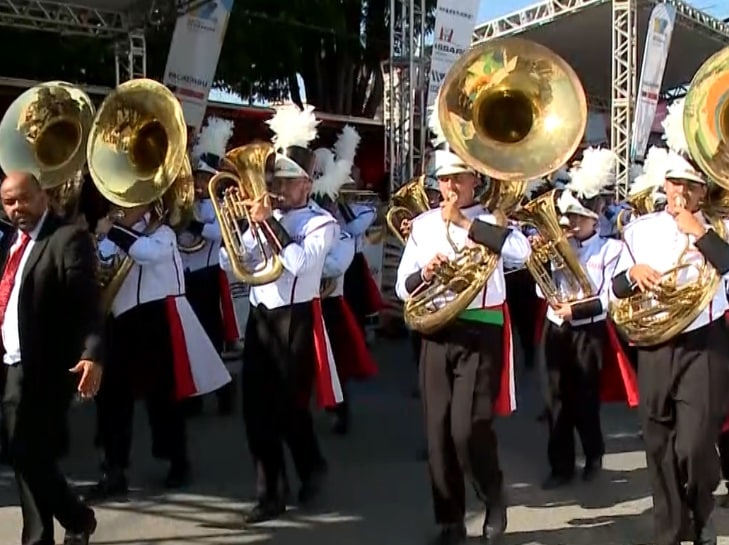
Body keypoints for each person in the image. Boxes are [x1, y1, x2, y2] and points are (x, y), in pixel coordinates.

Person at [396, 147, 530, 545]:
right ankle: (450, 520)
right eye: (444, 180)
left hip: (481, 330)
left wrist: (466, 226)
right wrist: (425, 273)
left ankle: (493, 494)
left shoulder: (493, 219)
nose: (451, 188)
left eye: (459, 179)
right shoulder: (421, 225)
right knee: (437, 433)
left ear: (475, 180)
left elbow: (520, 254)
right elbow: (403, 286)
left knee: (468, 429)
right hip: (437, 330)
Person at [611, 99, 729, 545]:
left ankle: (700, 510)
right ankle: (670, 531)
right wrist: (631, 276)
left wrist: (698, 230)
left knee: (695, 446)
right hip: (656, 345)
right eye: (675, 183)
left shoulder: (720, 226)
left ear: (703, 191)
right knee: (659, 446)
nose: (680, 192)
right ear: (665, 183)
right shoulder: (638, 230)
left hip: (704, 343)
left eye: (690, 186)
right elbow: (613, 294)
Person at [220, 105, 339, 524]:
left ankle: (311, 466)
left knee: (290, 409)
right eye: (276, 181)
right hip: (262, 317)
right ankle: (269, 494)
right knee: (255, 412)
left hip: (296, 318)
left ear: (306, 185)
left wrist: (269, 224)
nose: (278, 189)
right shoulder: (265, 217)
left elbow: (302, 264)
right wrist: (240, 229)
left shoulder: (321, 222)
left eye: (287, 182)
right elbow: (230, 262)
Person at [90, 194, 231, 499]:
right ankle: (112, 469)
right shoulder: (113, 234)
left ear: (144, 205)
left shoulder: (163, 233)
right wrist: (104, 237)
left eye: (129, 203)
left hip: (156, 320)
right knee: (112, 399)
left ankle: (177, 461)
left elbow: (146, 254)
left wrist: (113, 231)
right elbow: (100, 263)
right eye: (118, 204)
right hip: (119, 320)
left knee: (163, 398)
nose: (121, 209)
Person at [0, 171, 102, 545]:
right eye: (9, 202)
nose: (16, 208)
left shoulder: (66, 238)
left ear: (43, 196)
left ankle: (53, 530)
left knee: (27, 451)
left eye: (23, 199)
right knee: (22, 454)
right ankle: (70, 521)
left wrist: (93, 354)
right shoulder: (12, 242)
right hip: (12, 364)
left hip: (46, 367)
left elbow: (87, 302)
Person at [535, 149, 630, 489]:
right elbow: (538, 289)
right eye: (569, 218)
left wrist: (576, 310)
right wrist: (543, 261)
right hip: (556, 328)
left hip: (588, 330)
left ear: (595, 218)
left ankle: (593, 455)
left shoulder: (611, 250)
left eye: (579, 218)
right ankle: (560, 466)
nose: (572, 224)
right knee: (555, 399)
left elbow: (610, 298)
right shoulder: (560, 246)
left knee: (585, 400)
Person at [180, 117, 239, 416]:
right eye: (197, 179)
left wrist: (191, 223)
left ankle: (224, 390)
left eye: (204, 180)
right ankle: (193, 397)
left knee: (210, 341)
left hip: (207, 277)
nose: (200, 185)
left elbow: (221, 233)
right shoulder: (184, 202)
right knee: (189, 341)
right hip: (185, 279)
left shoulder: (221, 206)